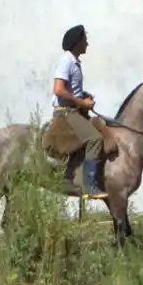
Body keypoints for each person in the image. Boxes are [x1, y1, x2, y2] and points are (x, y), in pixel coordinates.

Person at [52, 24, 107, 199]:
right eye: (85, 40)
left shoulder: (74, 62)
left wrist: (83, 95)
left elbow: (70, 89)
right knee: (95, 139)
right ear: (77, 42)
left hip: (75, 110)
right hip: (67, 113)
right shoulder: (66, 61)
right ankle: (89, 186)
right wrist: (82, 102)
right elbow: (59, 90)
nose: (87, 44)